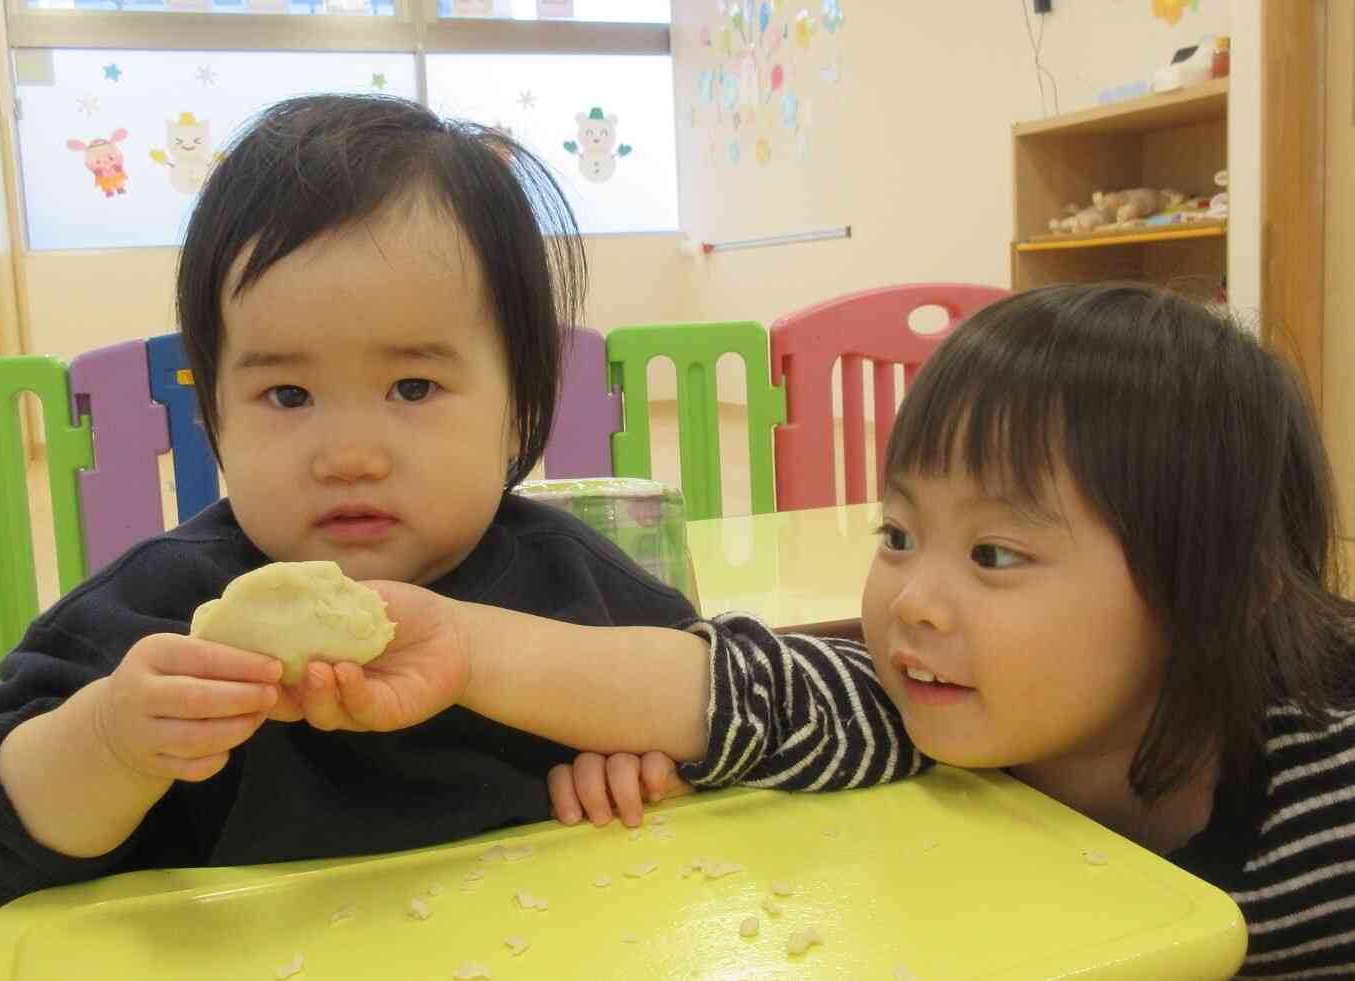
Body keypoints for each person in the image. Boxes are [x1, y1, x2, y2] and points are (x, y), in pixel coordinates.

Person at [254, 283, 1355, 976]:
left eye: (994, 556)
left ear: (1219, 587)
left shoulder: (1326, 787)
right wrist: (463, 645)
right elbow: (710, 683)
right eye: (897, 534)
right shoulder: (908, 708)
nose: (910, 601)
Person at [0, 94, 696, 922]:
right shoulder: (156, 616)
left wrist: (659, 769)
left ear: (517, 406)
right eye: (287, 393)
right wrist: (107, 746)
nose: (348, 456)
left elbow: (734, 718)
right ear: (214, 415)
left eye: (413, 386)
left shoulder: (587, 598)